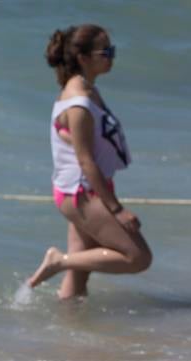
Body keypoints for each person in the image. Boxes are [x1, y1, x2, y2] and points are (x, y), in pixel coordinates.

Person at [28, 24, 152, 298]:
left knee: (80, 275)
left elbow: (75, 137)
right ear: (84, 58)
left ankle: (72, 335)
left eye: (113, 50)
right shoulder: (79, 101)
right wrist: (116, 209)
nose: (111, 56)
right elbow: (85, 161)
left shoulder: (84, 91)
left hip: (86, 188)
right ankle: (58, 262)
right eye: (105, 51)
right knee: (138, 257)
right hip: (82, 192)